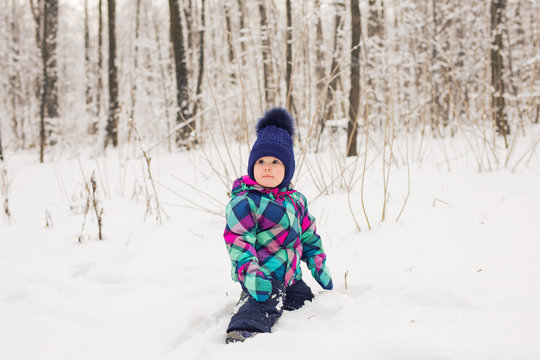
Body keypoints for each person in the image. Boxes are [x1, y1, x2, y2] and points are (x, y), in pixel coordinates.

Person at [223, 107, 333, 344]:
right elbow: (238, 242)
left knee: (305, 303)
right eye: (261, 161)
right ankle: (244, 329)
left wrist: (317, 262)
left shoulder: (297, 200)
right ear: (252, 166)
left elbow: (308, 236)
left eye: (275, 161)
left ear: (288, 168)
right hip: (262, 276)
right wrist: (251, 275)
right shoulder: (245, 201)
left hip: (291, 276)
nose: (268, 167)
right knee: (262, 303)